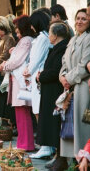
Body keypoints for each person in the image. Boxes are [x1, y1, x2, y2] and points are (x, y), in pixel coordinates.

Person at [56, 8, 90, 170]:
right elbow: (64, 61)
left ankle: (82, 161)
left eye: (84, 18)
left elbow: (84, 66)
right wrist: (62, 76)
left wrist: (68, 79)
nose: (80, 21)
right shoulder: (72, 39)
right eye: (78, 18)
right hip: (69, 88)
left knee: (80, 127)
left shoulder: (88, 39)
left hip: (81, 87)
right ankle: (71, 161)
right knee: (69, 125)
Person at [36, 22, 70, 168]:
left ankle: (60, 159)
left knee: (56, 125)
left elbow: (56, 70)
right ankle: (57, 156)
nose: (48, 36)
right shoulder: (57, 47)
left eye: (50, 33)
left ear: (55, 35)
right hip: (50, 91)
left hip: (55, 91)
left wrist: (41, 76)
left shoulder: (61, 48)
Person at [1, 15, 36, 151]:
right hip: (18, 79)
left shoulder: (26, 40)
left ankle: (26, 144)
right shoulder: (25, 40)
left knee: (22, 111)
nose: (16, 31)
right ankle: (23, 143)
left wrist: (5, 66)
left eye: (17, 28)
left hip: (20, 80)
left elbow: (17, 60)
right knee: (20, 112)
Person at [22, 10, 53, 159]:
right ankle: (45, 144)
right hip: (35, 75)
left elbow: (36, 59)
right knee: (37, 109)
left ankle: (45, 145)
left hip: (38, 75)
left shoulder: (42, 38)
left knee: (39, 111)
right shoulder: (42, 37)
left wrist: (28, 71)